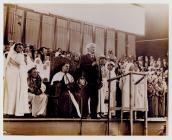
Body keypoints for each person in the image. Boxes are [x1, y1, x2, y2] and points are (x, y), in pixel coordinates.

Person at [4, 43, 30, 116]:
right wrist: (22, 56)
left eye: (21, 47)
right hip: (12, 76)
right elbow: (18, 63)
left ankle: (15, 110)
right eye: (19, 47)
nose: (20, 48)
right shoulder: (13, 55)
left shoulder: (20, 55)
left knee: (17, 92)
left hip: (18, 76)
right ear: (15, 48)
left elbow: (24, 66)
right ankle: (9, 110)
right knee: (11, 92)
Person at [80, 43, 102, 119]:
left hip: (95, 83)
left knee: (95, 100)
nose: (94, 49)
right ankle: (84, 115)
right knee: (85, 99)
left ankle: (94, 115)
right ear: (88, 48)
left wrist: (100, 80)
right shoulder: (83, 57)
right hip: (87, 82)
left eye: (94, 47)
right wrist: (91, 65)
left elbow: (98, 70)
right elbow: (81, 67)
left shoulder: (96, 58)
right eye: (92, 47)